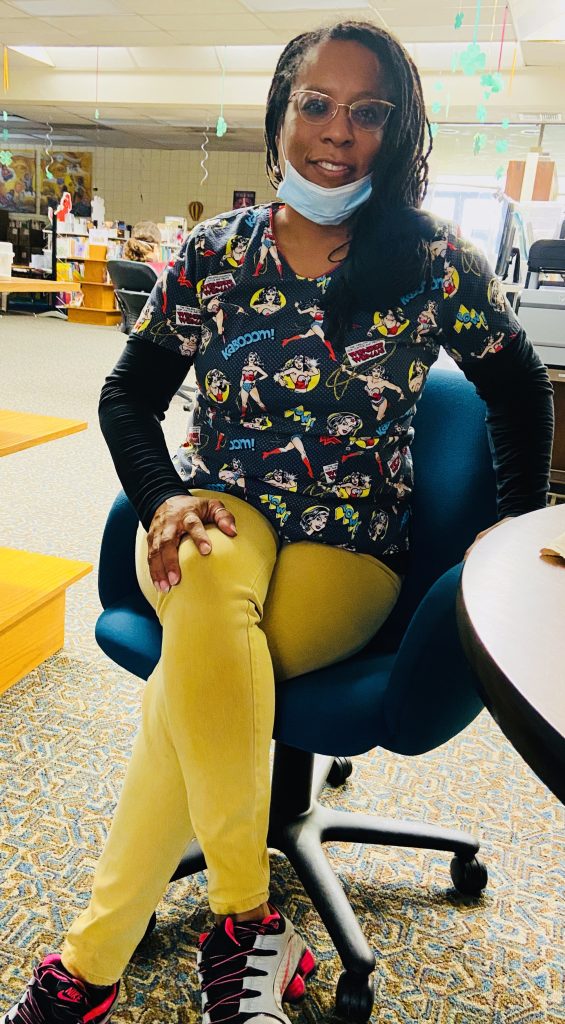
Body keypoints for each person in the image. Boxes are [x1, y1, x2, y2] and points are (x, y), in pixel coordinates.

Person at [3, 18, 553, 1024]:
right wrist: (164, 493)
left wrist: (513, 521)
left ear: (399, 130)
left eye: (367, 110)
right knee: (208, 579)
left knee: (196, 667)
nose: (336, 130)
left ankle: (91, 967)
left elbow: (519, 390)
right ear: (280, 112)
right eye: (315, 103)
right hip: (213, 509)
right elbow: (128, 397)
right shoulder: (215, 254)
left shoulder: (432, 261)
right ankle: (245, 924)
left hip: (353, 547)